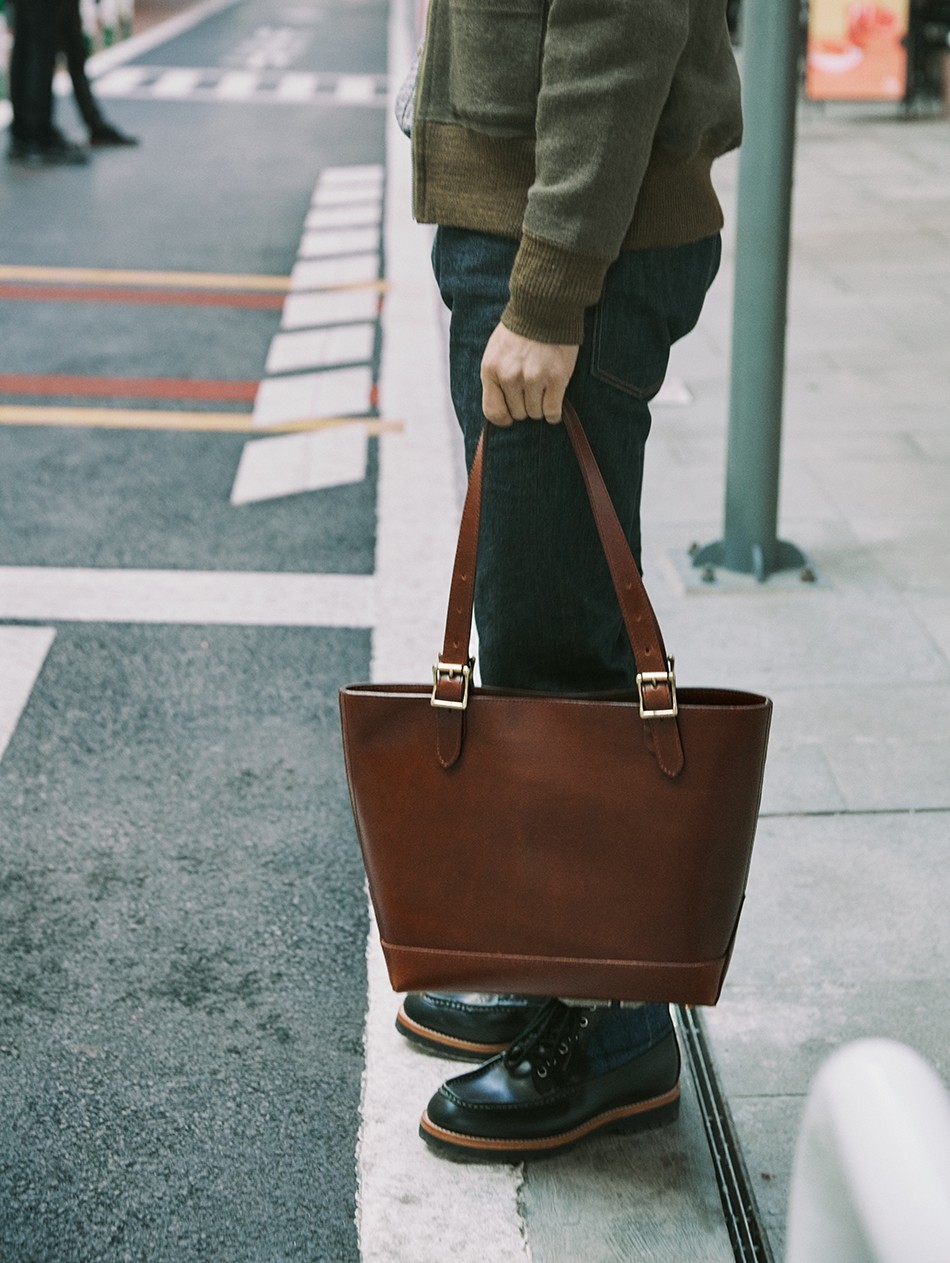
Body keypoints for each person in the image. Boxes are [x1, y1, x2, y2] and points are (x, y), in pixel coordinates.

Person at [394, 0, 743, 1161]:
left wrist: (545, 291)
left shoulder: (553, 273)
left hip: (564, 240)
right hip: (540, 216)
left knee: (555, 630)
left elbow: (613, 21)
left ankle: (608, 1020)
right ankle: (564, 961)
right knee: (536, 601)